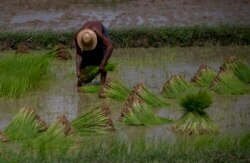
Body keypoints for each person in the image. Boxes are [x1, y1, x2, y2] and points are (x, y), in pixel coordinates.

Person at [74, 21, 113, 87]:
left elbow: (110, 47)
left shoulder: (97, 33)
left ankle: (102, 84)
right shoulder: (77, 37)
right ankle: (80, 84)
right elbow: (78, 53)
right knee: (83, 66)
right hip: (89, 37)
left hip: (99, 33)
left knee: (103, 58)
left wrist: (103, 63)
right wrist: (78, 70)